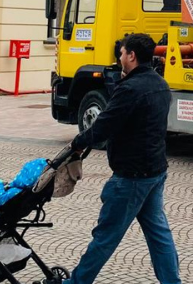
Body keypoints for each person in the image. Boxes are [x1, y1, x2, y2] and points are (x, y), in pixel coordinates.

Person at [63, 33, 179, 284]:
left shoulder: (130, 89)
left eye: (122, 53)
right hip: (155, 171)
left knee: (105, 237)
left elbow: (103, 126)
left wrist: (77, 142)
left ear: (132, 56)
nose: (120, 57)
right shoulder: (160, 84)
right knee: (159, 235)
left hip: (131, 177)